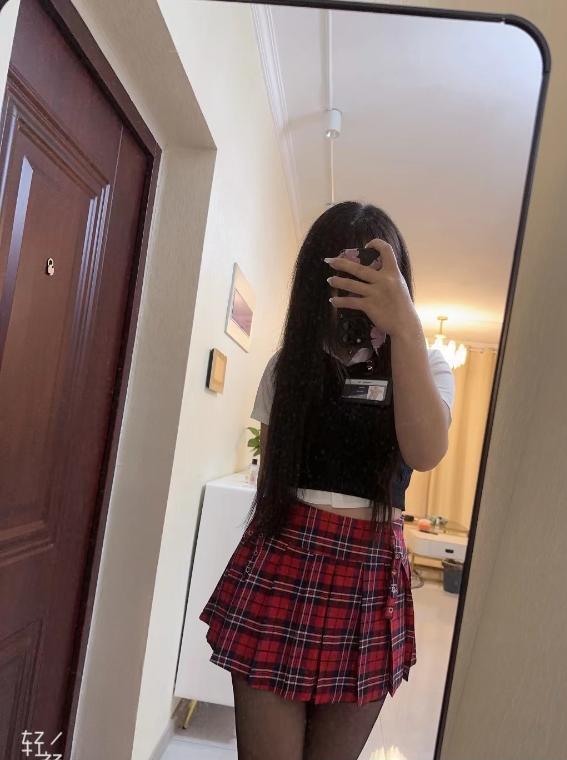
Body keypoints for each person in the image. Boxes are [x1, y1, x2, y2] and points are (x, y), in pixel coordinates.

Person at [199, 202, 455, 760]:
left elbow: (426, 452)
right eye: (343, 273)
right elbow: (273, 477)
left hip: (368, 574)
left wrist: (406, 327)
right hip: (284, 560)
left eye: (372, 274)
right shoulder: (287, 366)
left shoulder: (424, 363)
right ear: (319, 280)